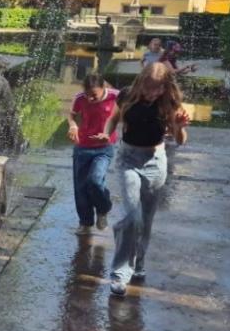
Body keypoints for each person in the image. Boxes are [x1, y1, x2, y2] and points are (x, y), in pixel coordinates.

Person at [102, 61, 189, 296]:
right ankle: (120, 273)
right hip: (128, 159)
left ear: (165, 87)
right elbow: (113, 118)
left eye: (157, 89)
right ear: (140, 81)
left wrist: (179, 126)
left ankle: (139, 262)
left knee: (146, 220)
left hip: (155, 161)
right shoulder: (127, 95)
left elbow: (181, 140)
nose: (152, 93)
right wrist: (107, 133)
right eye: (148, 88)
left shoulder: (170, 102)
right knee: (132, 216)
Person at [67, 72, 118, 234]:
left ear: (103, 88)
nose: (89, 98)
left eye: (94, 95)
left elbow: (131, 105)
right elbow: (72, 115)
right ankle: (85, 222)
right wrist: (73, 126)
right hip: (82, 147)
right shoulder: (80, 98)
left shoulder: (115, 96)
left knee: (95, 180)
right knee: (81, 187)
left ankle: (103, 209)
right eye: (87, 94)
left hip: (104, 148)